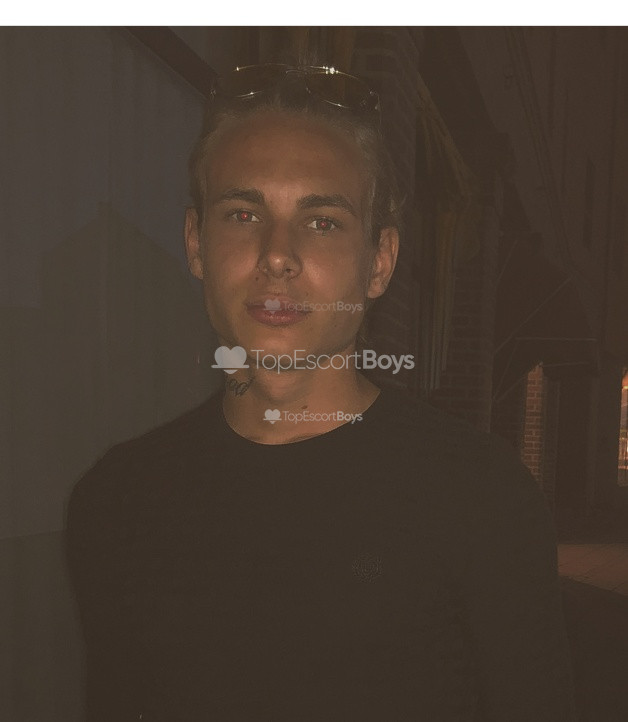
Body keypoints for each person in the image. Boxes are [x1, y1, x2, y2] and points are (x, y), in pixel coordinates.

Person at [66, 64, 577, 721]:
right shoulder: (117, 500)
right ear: (196, 243)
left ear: (379, 262)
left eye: (323, 222)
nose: (277, 254)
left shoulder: (482, 500)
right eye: (243, 214)